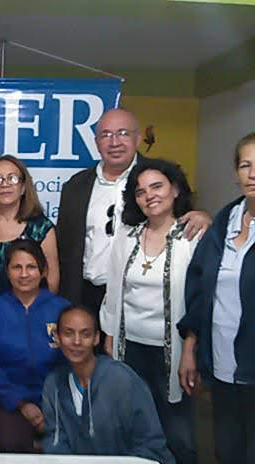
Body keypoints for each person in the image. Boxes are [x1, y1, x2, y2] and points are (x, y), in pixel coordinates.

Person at [100, 158, 199, 464]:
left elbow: (200, 300)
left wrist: (190, 350)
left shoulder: (193, 236)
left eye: (157, 186)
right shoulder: (127, 235)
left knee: (178, 436)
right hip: (129, 349)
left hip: (173, 353)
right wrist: (110, 337)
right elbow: (114, 290)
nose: (149, 196)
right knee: (132, 429)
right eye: (141, 191)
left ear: (175, 189)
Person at [56, 108, 209, 314]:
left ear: (137, 139)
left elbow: (183, 215)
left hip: (143, 298)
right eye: (106, 135)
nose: (114, 142)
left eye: (123, 133)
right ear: (96, 142)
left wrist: (203, 217)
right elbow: (64, 246)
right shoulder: (75, 186)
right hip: (85, 296)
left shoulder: (158, 177)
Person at [178, 132, 255, 464]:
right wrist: (190, 349)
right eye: (245, 165)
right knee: (228, 456)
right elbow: (199, 292)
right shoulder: (223, 223)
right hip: (223, 369)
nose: (253, 174)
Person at [41, 306, 181, 464]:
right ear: (57, 337)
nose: (77, 342)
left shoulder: (122, 380)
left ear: (96, 338)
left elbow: (150, 445)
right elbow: (55, 443)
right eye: (68, 333)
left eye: (85, 334)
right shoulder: (53, 384)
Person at [0, 239, 69, 452]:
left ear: (43, 271)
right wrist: (20, 403)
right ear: (7, 272)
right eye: (17, 267)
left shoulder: (62, 310)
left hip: (57, 400)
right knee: (12, 442)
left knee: (69, 440)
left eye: (31, 267)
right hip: (7, 401)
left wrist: (51, 404)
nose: (24, 274)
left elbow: (73, 361)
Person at [0, 154, 58, 307]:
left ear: (23, 187)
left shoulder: (41, 228)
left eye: (12, 178)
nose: (4, 184)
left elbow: (52, 281)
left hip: (29, 314)